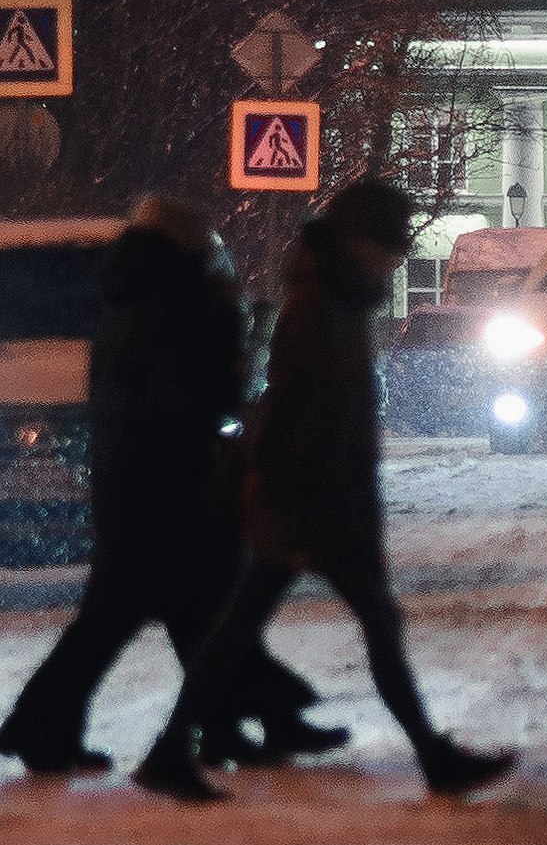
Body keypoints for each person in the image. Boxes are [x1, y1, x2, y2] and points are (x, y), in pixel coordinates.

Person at [134, 180, 516, 803]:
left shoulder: (335, 300)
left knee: (246, 627)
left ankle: (171, 749)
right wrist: (292, 496)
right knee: (352, 626)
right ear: (357, 241)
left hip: (317, 495)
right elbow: (294, 410)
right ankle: (434, 757)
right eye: (387, 245)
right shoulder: (317, 306)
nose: (394, 258)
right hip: (312, 500)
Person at [0, 198, 342, 777]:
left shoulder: (126, 301)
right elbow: (203, 398)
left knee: (183, 612)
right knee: (170, 612)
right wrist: (236, 340)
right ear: (189, 250)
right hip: (172, 484)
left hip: (132, 482)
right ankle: (45, 728)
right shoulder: (182, 308)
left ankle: (239, 722)